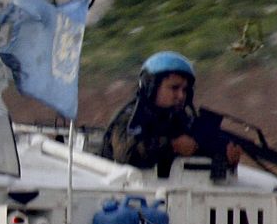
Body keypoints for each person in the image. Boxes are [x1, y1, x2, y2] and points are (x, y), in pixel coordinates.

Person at [100, 51, 241, 173]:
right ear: (151, 87)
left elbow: (196, 147)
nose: (181, 96)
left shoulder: (179, 118)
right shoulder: (130, 116)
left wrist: (225, 155)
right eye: (174, 88)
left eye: (185, 90)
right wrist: (171, 145)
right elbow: (126, 154)